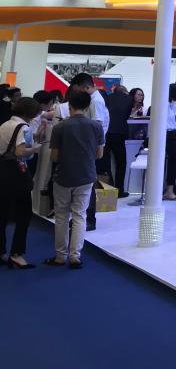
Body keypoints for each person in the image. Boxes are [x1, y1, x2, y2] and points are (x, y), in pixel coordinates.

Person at [46, 90, 103, 269]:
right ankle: (75, 256)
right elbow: (99, 154)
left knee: (61, 216)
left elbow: (54, 157)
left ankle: (60, 256)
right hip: (86, 175)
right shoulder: (96, 126)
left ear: (69, 105)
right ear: (87, 106)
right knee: (80, 215)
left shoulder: (60, 127)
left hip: (63, 175)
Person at [1, 97, 44, 268]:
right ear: (30, 113)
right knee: (24, 214)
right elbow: (20, 152)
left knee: (2, 214)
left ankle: (1, 251)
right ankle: (17, 254)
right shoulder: (23, 127)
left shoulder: (5, 124)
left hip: (2, 172)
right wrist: (36, 148)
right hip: (16, 175)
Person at [105, 85, 132, 197]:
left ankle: (107, 191)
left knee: (105, 163)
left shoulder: (107, 98)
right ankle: (119, 190)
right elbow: (126, 115)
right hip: (120, 133)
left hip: (106, 132)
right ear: (125, 91)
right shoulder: (129, 99)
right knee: (121, 163)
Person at [161, 83, 176, 201]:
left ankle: (169, 190)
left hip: (172, 134)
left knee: (175, 161)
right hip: (167, 135)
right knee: (175, 160)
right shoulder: (163, 104)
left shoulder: (172, 105)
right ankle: (168, 191)